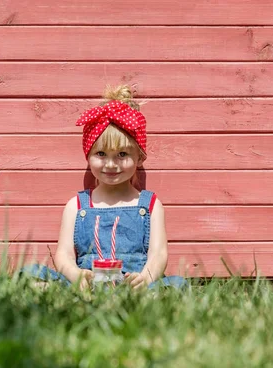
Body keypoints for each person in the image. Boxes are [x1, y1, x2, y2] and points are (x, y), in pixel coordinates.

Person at [22, 85, 187, 290]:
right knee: (30, 273)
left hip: (133, 286)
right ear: (88, 156)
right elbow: (64, 254)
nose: (110, 164)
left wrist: (146, 278)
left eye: (122, 155)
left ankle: (145, 296)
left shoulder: (151, 205)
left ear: (139, 158)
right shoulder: (76, 206)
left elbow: (158, 254)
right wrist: (76, 276)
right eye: (101, 154)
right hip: (87, 284)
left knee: (178, 285)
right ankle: (65, 292)